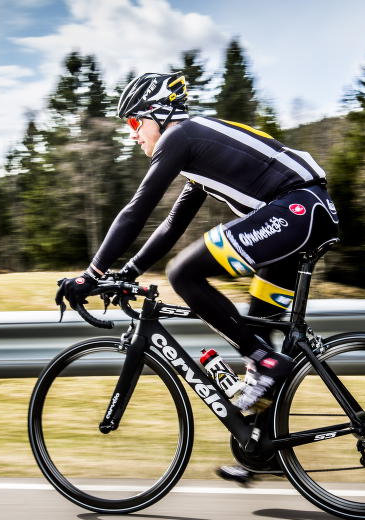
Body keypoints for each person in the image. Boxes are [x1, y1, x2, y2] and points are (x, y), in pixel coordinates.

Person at [55, 72, 340, 483]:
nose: (133, 136)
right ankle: (263, 450)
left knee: (184, 273)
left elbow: (136, 210)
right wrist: (127, 272)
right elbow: (170, 224)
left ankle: (266, 362)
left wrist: (91, 274)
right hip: (304, 214)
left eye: (134, 123)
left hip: (297, 211)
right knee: (261, 340)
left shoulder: (179, 137)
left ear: (157, 114)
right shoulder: (196, 149)